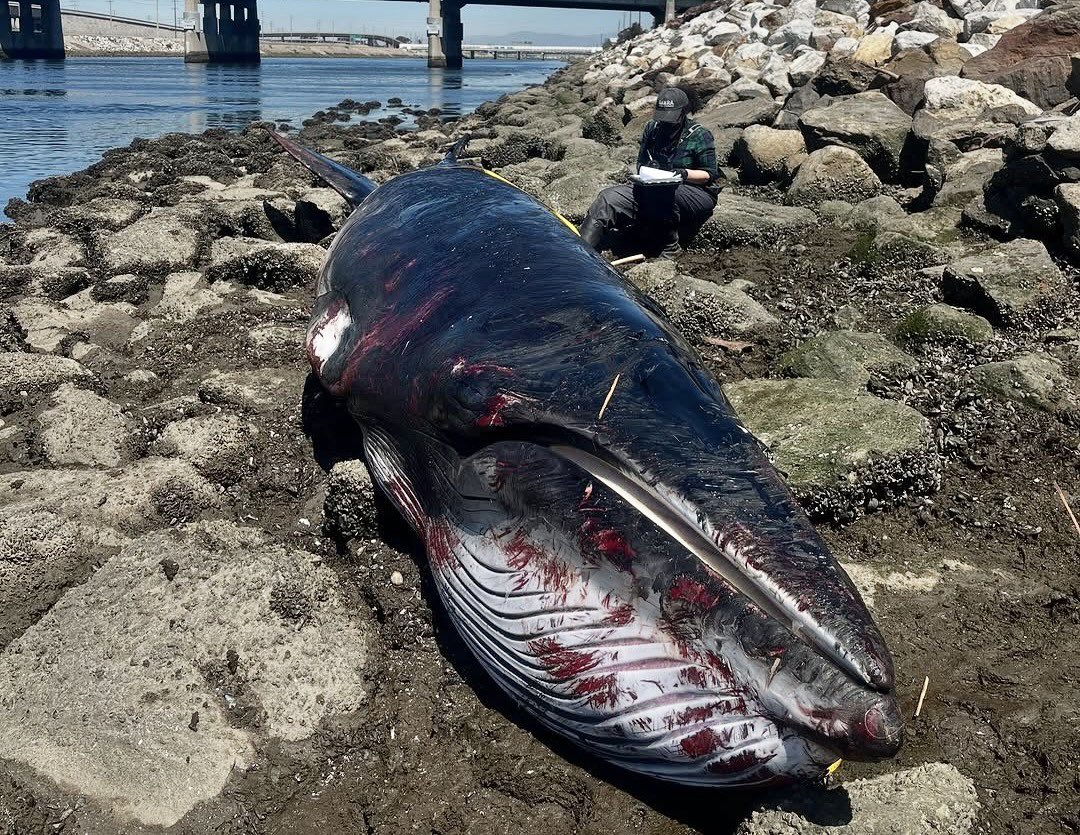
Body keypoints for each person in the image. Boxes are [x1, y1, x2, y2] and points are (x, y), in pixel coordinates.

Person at [579, 87, 720, 259]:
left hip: (696, 191)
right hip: (651, 188)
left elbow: (709, 174)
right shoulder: (652, 128)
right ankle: (581, 251)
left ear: (684, 112)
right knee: (608, 198)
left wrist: (682, 174)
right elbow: (641, 163)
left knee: (663, 191)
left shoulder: (699, 134)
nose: (666, 123)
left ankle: (669, 247)